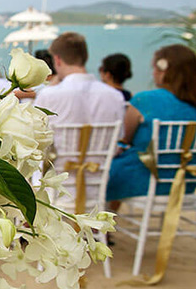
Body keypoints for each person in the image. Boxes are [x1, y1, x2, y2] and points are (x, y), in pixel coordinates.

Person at [107, 45, 196, 203]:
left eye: (154, 68)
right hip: (185, 183)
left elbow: (125, 138)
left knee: (101, 173)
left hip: (144, 179)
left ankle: (99, 222)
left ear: (163, 71)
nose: (153, 73)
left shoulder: (145, 100)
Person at [34, 32, 125, 127]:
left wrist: (52, 84)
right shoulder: (115, 96)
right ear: (86, 57)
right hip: (105, 142)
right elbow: (120, 135)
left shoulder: (48, 95)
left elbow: (36, 131)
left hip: (62, 142)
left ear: (57, 60)